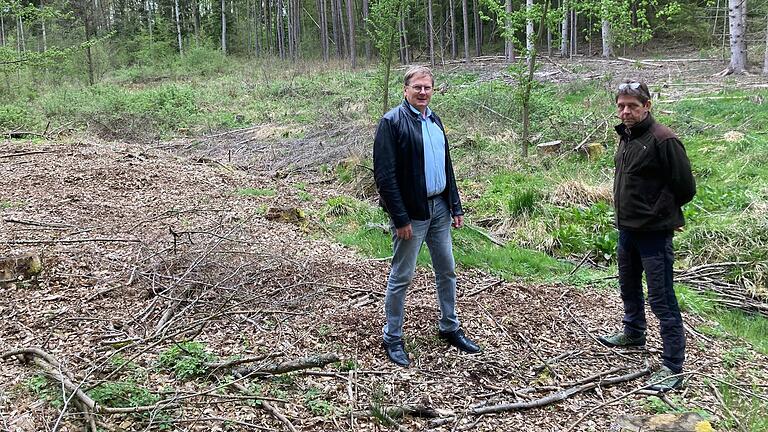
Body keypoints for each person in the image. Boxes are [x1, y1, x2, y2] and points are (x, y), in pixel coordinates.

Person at [373, 66, 481, 367]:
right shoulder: (391, 122)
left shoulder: (434, 119)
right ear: (405, 89)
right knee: (402, 275)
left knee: (446, 270)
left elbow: (446, 166)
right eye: (417, 87)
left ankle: (450, 327)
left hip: (440, 210)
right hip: (412, 214)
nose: (423, 92)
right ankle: (392, 336)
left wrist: (455, 206)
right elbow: (385, 176)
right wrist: (400, 218)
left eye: (428, 88)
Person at [599, 80, 696, 391]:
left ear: (647, 106)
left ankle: (672, 366)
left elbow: (685, 188)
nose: (626, 111)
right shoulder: (627, 136)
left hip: (653, 234)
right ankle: (634, 332)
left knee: (662, 298)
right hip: (627, 229)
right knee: (628, 286)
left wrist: (661, 215)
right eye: (621, 106)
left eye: (633, 106)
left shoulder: (664, 140)